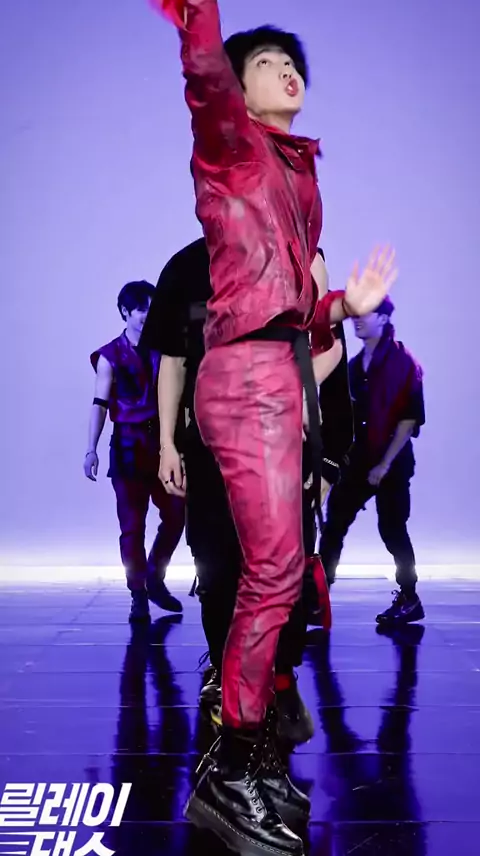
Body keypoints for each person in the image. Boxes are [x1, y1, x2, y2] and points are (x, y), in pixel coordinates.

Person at [151, 4, 397, 854]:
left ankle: (249, 759)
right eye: (263, 62)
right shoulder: (231, 145)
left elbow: (288, 303)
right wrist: (200, 20)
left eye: (291, 62)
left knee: (281, 577)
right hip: (248, 376)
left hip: (280, 372)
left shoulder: (298, 179)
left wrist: (344, 305)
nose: (285, 70)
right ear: (239, 84)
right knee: (271, 574)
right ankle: (230, 773)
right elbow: (204, 77)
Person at [141, 239, 352, 746]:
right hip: (210, 448)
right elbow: (173, 362)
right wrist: (167, 444)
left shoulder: (301, 256)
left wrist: (321, 450)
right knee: (215, 570)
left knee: (282, 572)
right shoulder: (184, 267)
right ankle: (225, 673)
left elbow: (329, 350)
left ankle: (279, 680)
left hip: (281, 447)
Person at [84, 281, 185, 624]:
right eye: (141, 309)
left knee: (177, 513)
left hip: (162, 443)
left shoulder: (165, 349)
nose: (147, 315)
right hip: (127, 445)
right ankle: (138, 595)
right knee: (132, 527)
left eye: (151, 308)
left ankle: (154, 577)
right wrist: (90, 449)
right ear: (125, 312)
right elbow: (99, 404)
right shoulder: (110, 355)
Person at [320, 298, 425, 624]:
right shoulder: (354, 366)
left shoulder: (403, 362)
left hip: (392, 464)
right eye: (356, 315)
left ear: (383, 318)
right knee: (334, 526)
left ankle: (409, 597)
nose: (358, 320)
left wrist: (384, 464)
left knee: (392, 530)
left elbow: (409, 419)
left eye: (366, 315)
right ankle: (318, 597)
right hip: (357, 462)